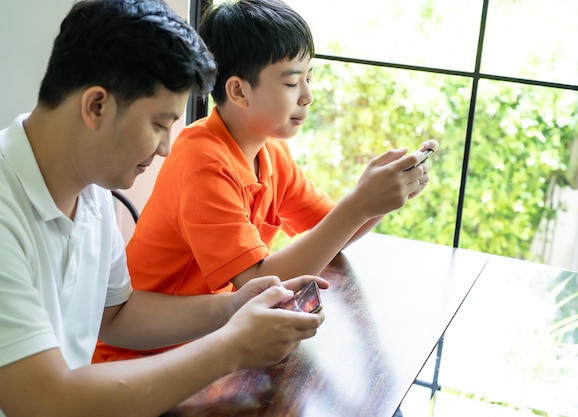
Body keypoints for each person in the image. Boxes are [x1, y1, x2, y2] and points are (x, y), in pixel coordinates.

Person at [0, 1, 326, 416]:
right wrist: (230, 348)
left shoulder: (92, 188)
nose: (166, 149)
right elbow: (42, 399)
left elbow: (117, 315)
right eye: (158, 125)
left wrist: (233, 305)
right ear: (96, 106)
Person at [94, 0, 437, 361]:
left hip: (212, 345)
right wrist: (360, 204)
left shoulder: (270, 152)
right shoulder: (202, 161)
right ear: (239, 91)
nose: (308, 95)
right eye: (292, 82)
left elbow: (330, 232)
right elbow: (259, 285)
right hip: (140, 358)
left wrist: (381, 194)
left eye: (309, 78)